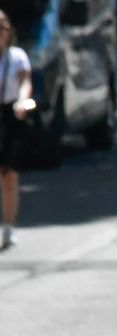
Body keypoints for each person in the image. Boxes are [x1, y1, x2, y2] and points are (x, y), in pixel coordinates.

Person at [0, 10, 32, 251]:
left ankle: (9, 227)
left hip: (10, 115)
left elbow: (25, 83)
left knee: (8, 174)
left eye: (3, 28)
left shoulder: (16, 57)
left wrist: (22, 101)